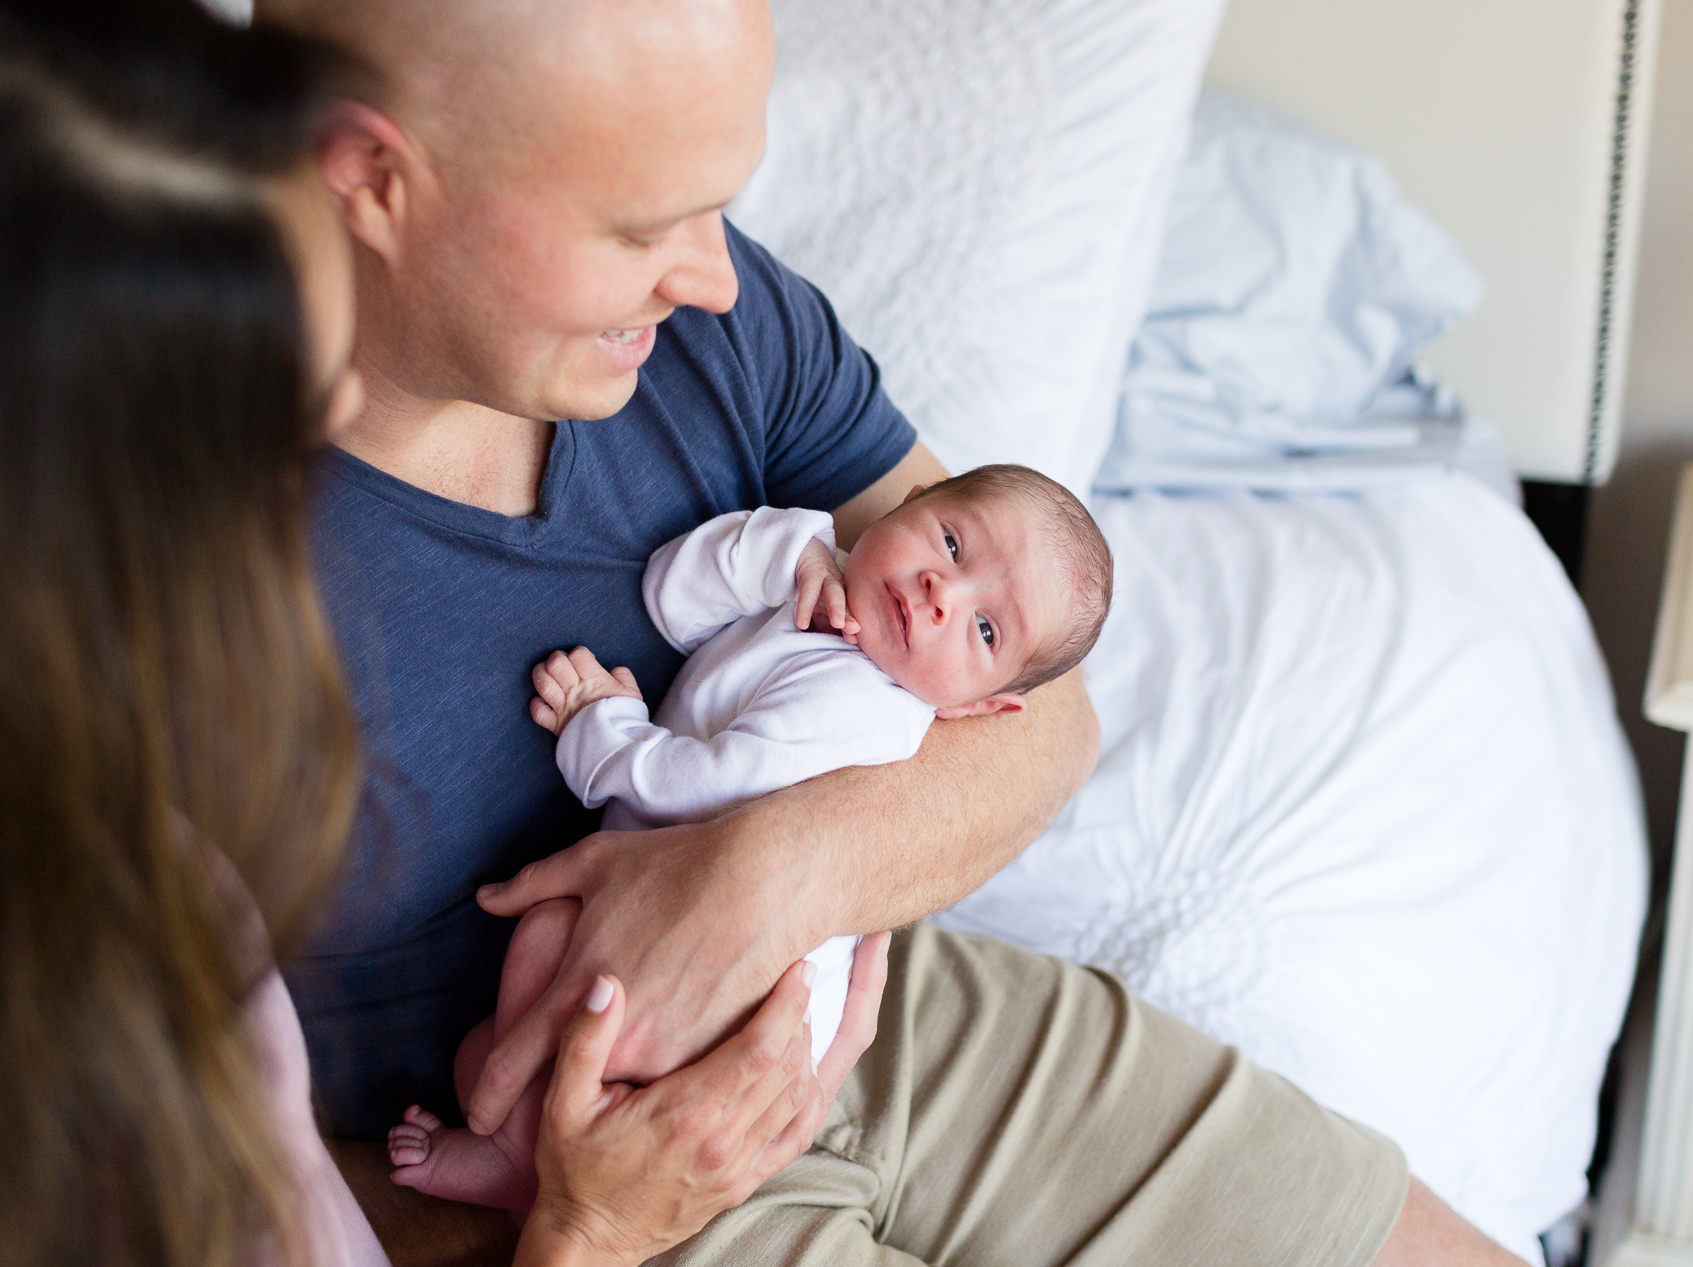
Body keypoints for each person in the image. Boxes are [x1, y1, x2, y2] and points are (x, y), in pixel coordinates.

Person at [259, 0, 1527, 1261]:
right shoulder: (154, 582)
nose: (713, 272)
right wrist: (585, 1225)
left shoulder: (715, 320)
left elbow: (1043, 715)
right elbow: (172, 1179)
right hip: (554, 1168)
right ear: (374, 178)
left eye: (717, 204)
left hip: (867, 1005)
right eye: (641, 224)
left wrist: (766, 881)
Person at [0, 2, 880, 1263]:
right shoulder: (117, 915)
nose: (336, 436)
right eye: (292, 406)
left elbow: (1039, 664)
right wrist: (589, 1229)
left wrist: (770, 876)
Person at [389, 464, 1114, 1212]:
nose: (942, 592)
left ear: (980, 707)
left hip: (735, 1003)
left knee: (535, 960)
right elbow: (670, 594)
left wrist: (597, 727)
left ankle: (518, 1156)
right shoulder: (817, 588)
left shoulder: (861, 704)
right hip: (674, 921)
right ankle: (532, 1138)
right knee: (506, 1028)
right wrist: (793, 552)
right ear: (908, 502)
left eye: (985, 628)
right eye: (953, 542)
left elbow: (702, 788)